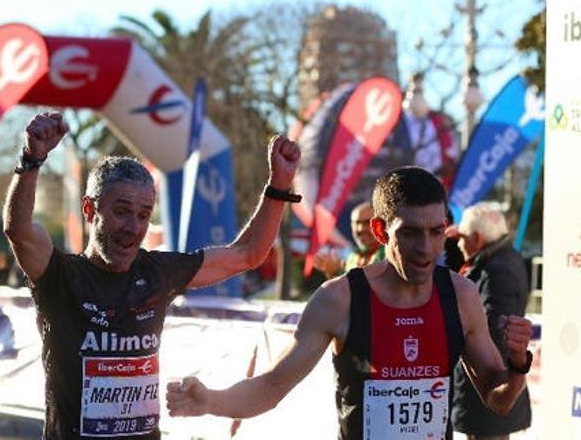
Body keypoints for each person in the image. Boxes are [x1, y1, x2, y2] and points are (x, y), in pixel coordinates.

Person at [166, 166, 534, 440]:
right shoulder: (339, 299)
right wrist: (210, 401)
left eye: (435, 232)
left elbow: (497, 399)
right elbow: (272, 386)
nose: (425, 249)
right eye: (409, 233)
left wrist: (517, 366)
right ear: (379, 232)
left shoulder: (460, 295)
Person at [3, 112, 301, 439]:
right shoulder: (61, 275)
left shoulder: (157, 272)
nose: (133, 228)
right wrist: (31, 159)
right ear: (90, 210)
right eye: (121, 212)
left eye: (143, 215)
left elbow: (248, 254)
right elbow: (19, 231)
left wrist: (280, 186)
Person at [447, 202, 531, 439]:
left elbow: (493, 330)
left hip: (490, 389)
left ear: (477, 237)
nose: (458, 244)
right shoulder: (498, 260)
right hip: (489, 388)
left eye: (461, 238)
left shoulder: (497, 270)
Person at [314, 201, 385, 278]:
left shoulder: (390, 252)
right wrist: (336, 272)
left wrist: (338, 271)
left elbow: (373, 282)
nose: (360, 229)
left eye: (367, 222)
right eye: (357, 223)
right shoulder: (352, 258)